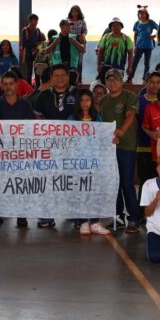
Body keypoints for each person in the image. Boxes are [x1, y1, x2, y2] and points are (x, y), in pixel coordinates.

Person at [99, 69, 141, 233]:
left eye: (115, 80)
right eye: (109, 80)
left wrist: (121, 131)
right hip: (108, 148)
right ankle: (118, 216)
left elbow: (130, 115)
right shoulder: (103, 100)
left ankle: (133, 218)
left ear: (122, 82)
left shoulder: (130, 97)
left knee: (127, 183)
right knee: (113, 184)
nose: (112, 83)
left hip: (126, 146)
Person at [66, 89, 111, 235]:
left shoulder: (97, 118)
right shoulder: (71, 119)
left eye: (87, 100)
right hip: (78, 163)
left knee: (94, 191)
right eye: (81, 100)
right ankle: (82, 221)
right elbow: (66, 141)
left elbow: (103, 138)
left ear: (91, 102)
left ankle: (95, 222)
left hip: (94, 162)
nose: (85, 103)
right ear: (77, 102)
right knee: (80, 192)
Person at [97, 18, 133, 84]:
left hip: (119, 68)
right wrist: (99, 65)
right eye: (113, 25)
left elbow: (130, 54)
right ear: (111, 27)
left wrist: (129, 67)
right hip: (106, 68)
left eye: (118, 25)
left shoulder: (126, 39)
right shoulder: (105, 37)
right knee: (104, 84)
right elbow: (100, 52)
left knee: (116, 85)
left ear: (121, 27)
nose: (116, 27)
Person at [132, 6, 158, 83]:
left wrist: (154, 36)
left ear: (146, 14)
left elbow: (159, 29)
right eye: (140, 13)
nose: (142, 15)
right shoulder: (137, 23)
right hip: (139, 46)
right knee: (135, 62)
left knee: (147, 63)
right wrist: (135, 46)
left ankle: (145, 79)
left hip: (148, 46)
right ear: (138, 14)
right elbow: (135, 35)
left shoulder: (151, 22)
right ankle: (130, 78)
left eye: (143, 13)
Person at [19, 14, 44, 82]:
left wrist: (38, 47)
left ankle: (37, 87)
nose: (35, 23)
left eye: (36, 21)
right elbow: (23, 43)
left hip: (36, 53)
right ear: (29, 21)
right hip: (28, 53)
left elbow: (41, 41)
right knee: (29, 71)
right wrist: (34, 45)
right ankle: (29, 87)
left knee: (37, 72)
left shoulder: (38, 30)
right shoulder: (25, 30)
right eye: (34, 21)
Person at [67, 5, 89, 82]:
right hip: (70, 43)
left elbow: (85, 31)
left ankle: (79, 80)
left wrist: (82, 36)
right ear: (71, 12)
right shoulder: (67, 21)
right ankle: (71, 80)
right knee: (71, 62)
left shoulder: (82, 21)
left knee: (79, 62)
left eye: (76, 11)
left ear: (79, 12)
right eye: (73, 11)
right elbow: (65, 31)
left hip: (80, 42)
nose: (74, 13)